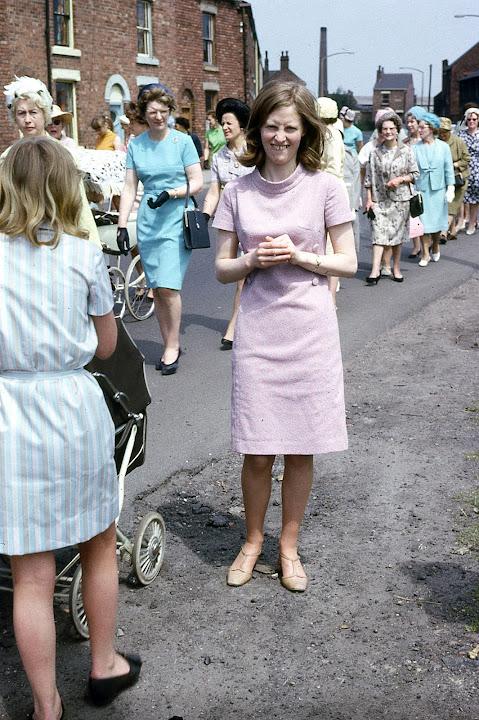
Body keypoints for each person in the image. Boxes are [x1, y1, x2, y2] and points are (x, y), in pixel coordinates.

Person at [0, 136, 142, 720]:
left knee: (30, 573)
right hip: (71, 405)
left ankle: (45, 705)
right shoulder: (84, 254)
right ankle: (104, 664)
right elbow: (107, 345)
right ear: (66, 187)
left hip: (10, 411)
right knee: (98, 543)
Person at [213, 81, 357, 593]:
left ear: (305, 132)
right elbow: (222, 270)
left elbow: (349, 260)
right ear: (258, 129)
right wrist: (252, 260)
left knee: (300, 448)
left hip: (310, 331)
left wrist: (300, 256)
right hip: (259, 332)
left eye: (290, 128)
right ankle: (252, 541)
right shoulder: (237, 191)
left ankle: (288, 545)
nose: (279, 136)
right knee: (257, 448)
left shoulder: (325, 187)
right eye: (271, 126)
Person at [117, 86, 203, 374]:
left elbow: (197, 181)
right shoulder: (137, 145)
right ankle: (168, 341)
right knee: (156, 285)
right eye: (152, 112)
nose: (158, 117)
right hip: (148, 221)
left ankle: (172, 344)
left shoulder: (182, 142)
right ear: (144, 113)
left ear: (170, 112)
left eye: (163, 112)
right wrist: (121, 224)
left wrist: (173, 193)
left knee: (169, 284)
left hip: (176, 217)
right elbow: (129, 187)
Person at [3, 75, 100, 247]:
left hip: (61, 238)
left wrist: (92, 245)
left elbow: (79, 204)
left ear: (44, 114)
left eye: (33, 112)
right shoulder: (7, 159)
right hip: (21, 241)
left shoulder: (63, 155)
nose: (27, 120)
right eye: (21, 113)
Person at [202, 97, 252, 349]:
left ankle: (233, 326)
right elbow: (214, 190)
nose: (224, 127)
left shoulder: (255, 152)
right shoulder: (220, 156)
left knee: (244, 274)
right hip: (229, 223)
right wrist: (204, 214)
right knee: (235, 272)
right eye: (222, 123)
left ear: (242, 125)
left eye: (229, 123)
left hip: (254, 220)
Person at [364, 111, 419, 284]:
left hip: (400, 200)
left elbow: (415, 174)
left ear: (397, 131)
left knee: (397, 237)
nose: (388, 132)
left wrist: (400, 180)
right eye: (384, 129)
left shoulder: (406, 151)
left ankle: (396, 268)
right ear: (380, 131)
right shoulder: (374, 153)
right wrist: (369, 199)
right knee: (378, 235)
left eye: (391, 128)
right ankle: (375, 271)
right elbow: (368, 179)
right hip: (380, 201)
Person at [413, 112, 455, 266]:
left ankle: (436, 244)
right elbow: (411, 170)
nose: (420, 130)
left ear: (431, 128)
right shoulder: (415, 148)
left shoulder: (443, 147)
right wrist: (413, 188)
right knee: (423, 223)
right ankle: (425, 254)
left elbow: (448, 168)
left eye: (422, 127)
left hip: (438, 190)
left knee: (437, 222)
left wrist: (450, 187)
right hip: (422, 190)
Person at [438, 117, 470, 241]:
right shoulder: (436, 142)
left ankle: (443, 233)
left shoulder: (458, 141)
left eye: (445, 131)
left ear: (449, 131)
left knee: (452, 206)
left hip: (459, 180)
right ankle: (453, 231)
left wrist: (455, 164)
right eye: (440, 131)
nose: (442, 134)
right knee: (445, 205)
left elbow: (467, 159)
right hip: (443, 179)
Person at [403, 106, 428, 257]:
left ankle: (428, 242)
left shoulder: (424, 141)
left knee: (425, 215)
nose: (410, 124)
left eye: (413, 121)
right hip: (410, 183)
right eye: (408, 122)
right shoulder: (405, 142)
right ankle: (416, 245)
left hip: (424, 182)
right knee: (413, 214)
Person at [458, 107, 479, 235]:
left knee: (475, 199)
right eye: (469, 119)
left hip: (478, 169)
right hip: (465, 169)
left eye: (474, 119)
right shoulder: (461, 135)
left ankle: (472, 223)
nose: (471, 121)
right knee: (464, 197)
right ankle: (461, 220)